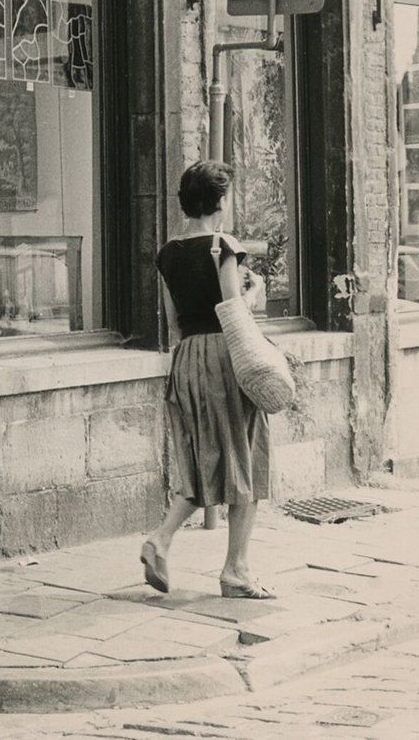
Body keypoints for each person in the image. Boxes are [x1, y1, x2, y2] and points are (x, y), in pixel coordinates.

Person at [141, 160, 273, 599]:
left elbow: (175, 322)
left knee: (202, 459)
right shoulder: (223, 246)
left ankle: (160, 539)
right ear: (219, 201)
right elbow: (235, 312)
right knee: (246, 458)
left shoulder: (168, 252)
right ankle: (236, 569)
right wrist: (255, 291)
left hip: (187, 360)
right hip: (224, 357)